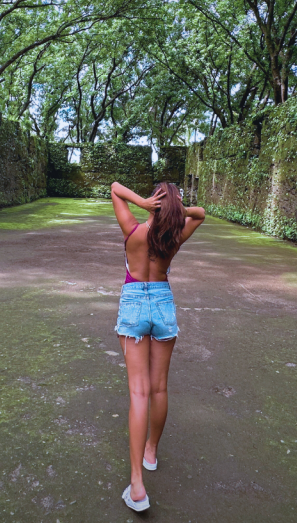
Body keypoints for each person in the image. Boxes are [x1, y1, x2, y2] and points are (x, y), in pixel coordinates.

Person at [109, 180, 206, 512]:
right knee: (159, 388)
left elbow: (115, 188)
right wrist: (175, 209)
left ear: (154, 202)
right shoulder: (174, 238)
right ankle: (151, 452)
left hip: (134, 302)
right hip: (163, 302)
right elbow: (201, 213)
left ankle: (137, 486)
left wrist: (145, 203)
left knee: (139, 393)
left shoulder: (133, 232)